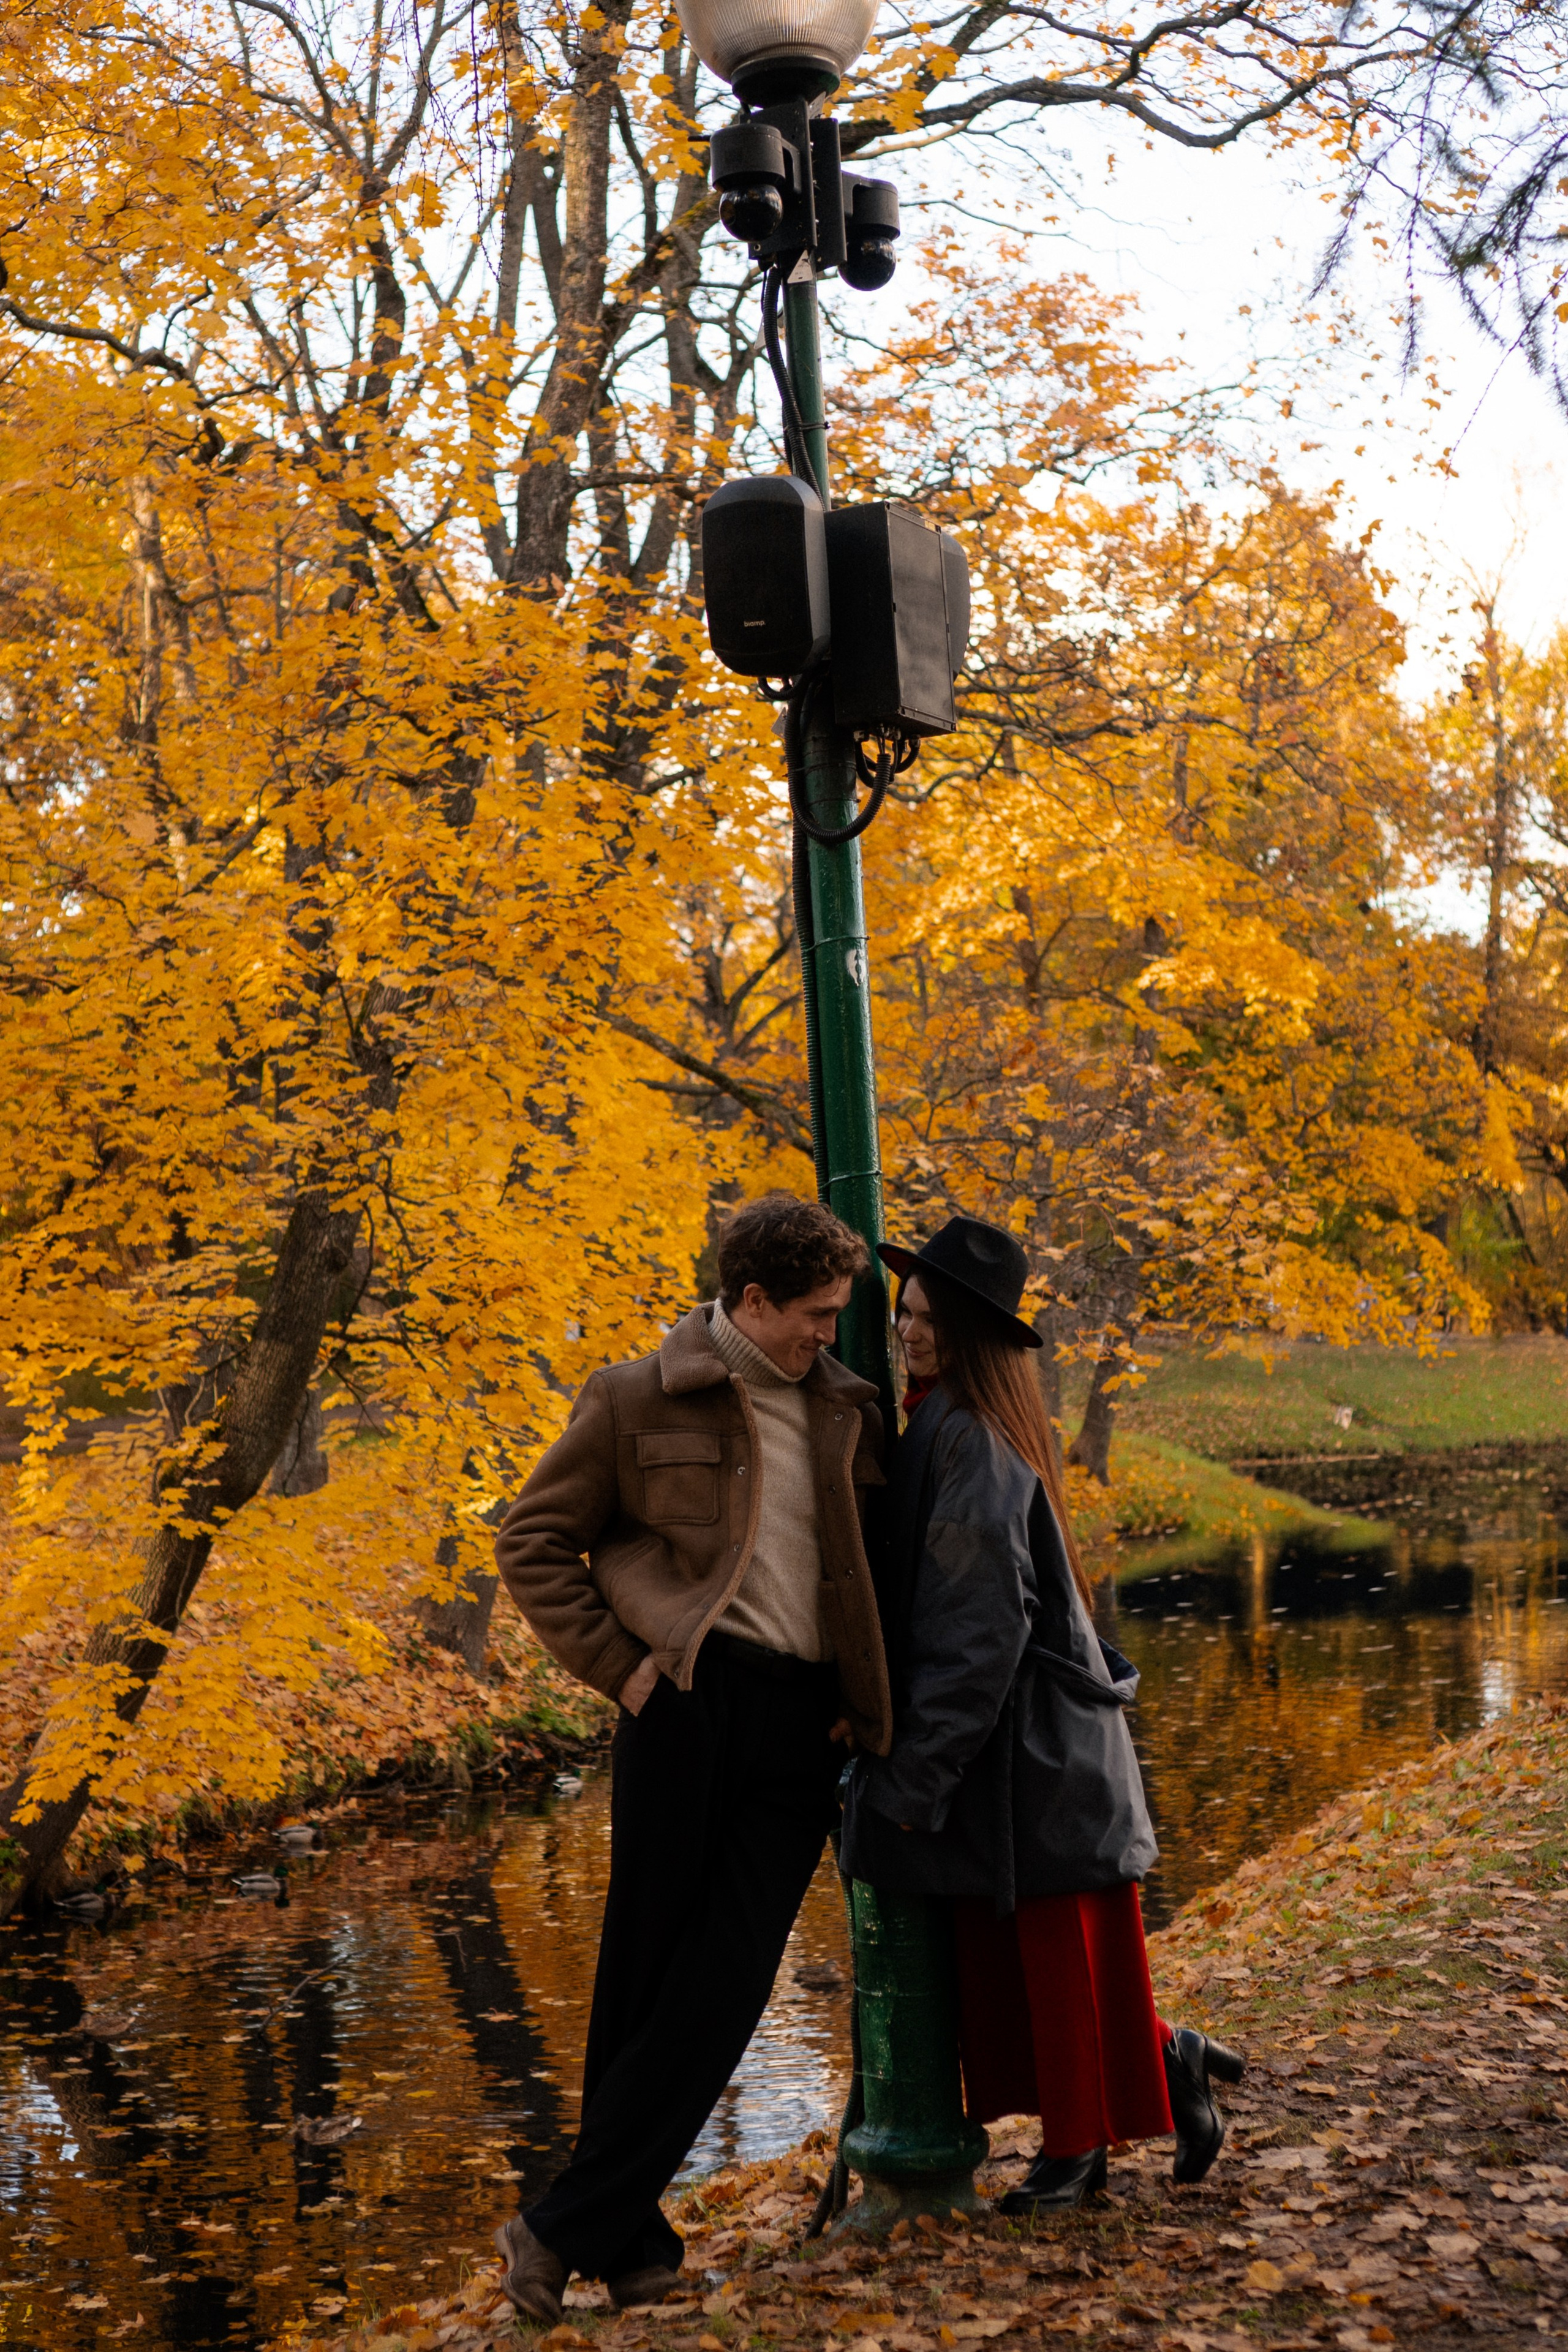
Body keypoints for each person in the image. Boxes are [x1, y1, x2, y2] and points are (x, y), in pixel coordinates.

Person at [490, 1192, 892, 2318]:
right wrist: (621, 1670)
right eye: (812, 1313)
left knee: (725, 1984)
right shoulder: (633, 1398)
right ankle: (632, 2247)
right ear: (750, 1301)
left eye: (837, 1314)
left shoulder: (846, 1410)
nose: (828, 1332)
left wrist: (868, 1700)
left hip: (804, 1726)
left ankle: (562, 2223)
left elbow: (868, 1573)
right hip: (684, 1707)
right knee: (642, 1975)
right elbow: (531, 1541)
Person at [840, 1215, 1243, 2212]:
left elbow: (981, 1634)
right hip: (1020, 1756)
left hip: (1037, 1762)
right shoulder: (953, 1418)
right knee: (1026, 1970)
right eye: (909, 1312)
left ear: (976, 1335)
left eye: (933, 1319)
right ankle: (1168, 2061)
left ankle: (1078, 2155)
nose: (911, 1331)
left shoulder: (971, 1438)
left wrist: (911, 1779)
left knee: (1058, 1967)